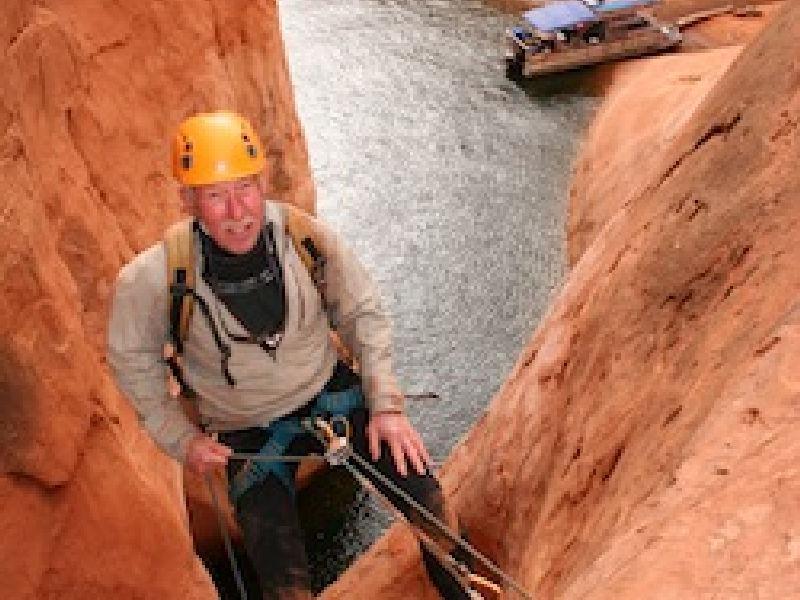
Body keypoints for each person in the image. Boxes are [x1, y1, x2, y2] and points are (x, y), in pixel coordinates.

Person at [107, 111, 469, 599]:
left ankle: (462, 593)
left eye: (246, 189)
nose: (238, 211)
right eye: (216, 196)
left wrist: (385, 406)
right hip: (247, 428)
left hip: (329, 394)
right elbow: (132, 359)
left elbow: (361, 310)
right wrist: (182, 439)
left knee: (429, 503)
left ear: (262, 184)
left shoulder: (302, 238)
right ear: (189, 201)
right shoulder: (156, 279)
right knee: (282, 582)